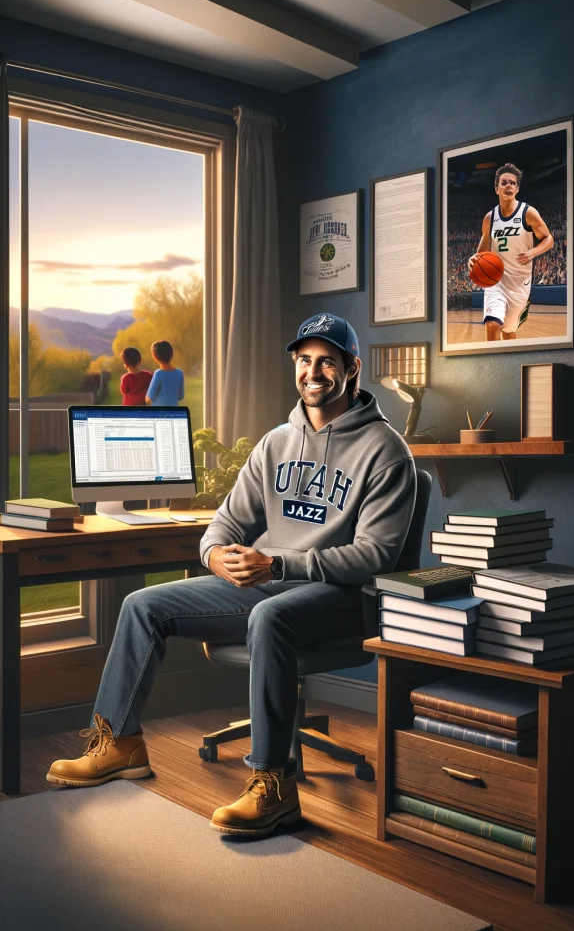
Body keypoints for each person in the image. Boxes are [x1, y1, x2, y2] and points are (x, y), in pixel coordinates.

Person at [47, 313, 416, 838]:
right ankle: (119, 744)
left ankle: (274, 786)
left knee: (269, 615)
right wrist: (214, 554)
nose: (314, 372)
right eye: (305, 360)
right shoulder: (275, 443)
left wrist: (280, 563)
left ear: (352, 368)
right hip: (270, 585)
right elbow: (225, 520)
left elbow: (376, 555)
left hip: (343, 597)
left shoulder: (386, 451)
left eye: (327, 362)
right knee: (143, 605)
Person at [468, 163, 554, 341]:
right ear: (496, 188)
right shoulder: (490, 218)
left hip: (520, 281)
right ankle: (493, 366)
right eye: (504, 182)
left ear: (517, 188)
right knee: (492, 325)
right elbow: (481, 253)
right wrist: (473, 259)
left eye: (512, 183)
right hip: (496, 280)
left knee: (508, 331)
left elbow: (548, 239)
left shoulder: (527, 213)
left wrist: (532, 253)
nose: (508, 186)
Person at [145, 340, 185, 405]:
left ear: (154, 357)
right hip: (174, 413)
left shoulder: (158, 374)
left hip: (159, 413)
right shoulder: (179, 373)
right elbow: (180, 396)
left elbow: (148, 399)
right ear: (172, 354)